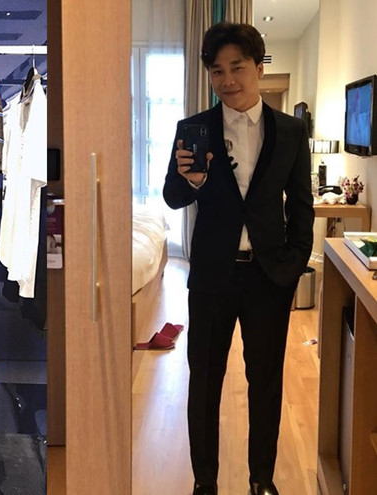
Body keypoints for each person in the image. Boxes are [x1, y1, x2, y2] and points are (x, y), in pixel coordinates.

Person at [163, 23, 314, 495]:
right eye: (217, 71)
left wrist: (293, 266)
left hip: (268, 277)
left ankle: (261, 479)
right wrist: (192, 181)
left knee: (265, 381)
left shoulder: (291, 131)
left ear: (258, 67)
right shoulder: (194, 129)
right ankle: (205, 482)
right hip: (212, 276)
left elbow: (302, 205)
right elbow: (171, 196)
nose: (227, 80)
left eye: (237, 67)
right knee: (205, 382)